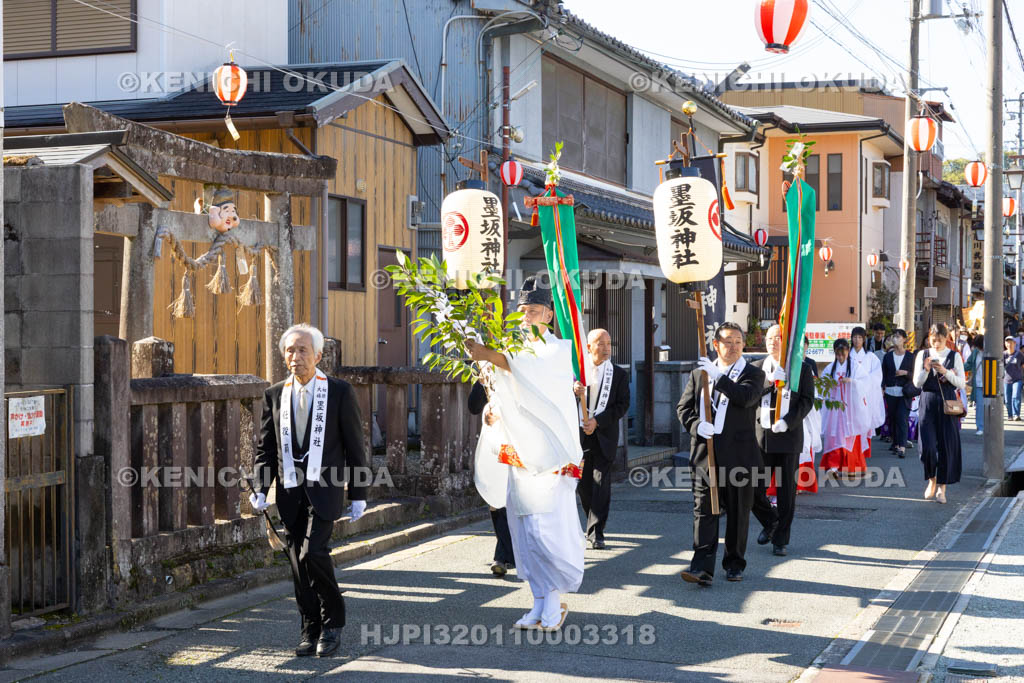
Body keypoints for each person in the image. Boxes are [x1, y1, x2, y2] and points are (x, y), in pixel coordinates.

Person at [467, 276, 584, 631]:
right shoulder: (508, 353)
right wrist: (493, 412)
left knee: (545, 529)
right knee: (523, 531)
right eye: (522, 311)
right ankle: (537, 600)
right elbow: (495, 396)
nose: (527, 317)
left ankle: (553, 601)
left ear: (549, 315)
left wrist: (492, 356)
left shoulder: (557, 351)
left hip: (549, 458)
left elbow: (533, 374)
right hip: (518, 456)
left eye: (534, 311)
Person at [251, 323, 368, 658]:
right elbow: (265, 448)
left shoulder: (339, 392)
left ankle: (333, 623)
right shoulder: (275, 394)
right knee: (297, 564)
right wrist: (260, 487)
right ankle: (310, 628)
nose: (295, 356)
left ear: (318, 355)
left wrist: (359, 492)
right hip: (289, 492)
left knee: (312, 553)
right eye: (290, 350)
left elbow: (355, 446)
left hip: (326, 489)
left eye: (303, 350)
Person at [677, 322, 766, 586]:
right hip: (706, 456)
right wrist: (696, 425)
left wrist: (718, 377)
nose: (734, 346)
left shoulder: (753, 373)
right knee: (703, 511)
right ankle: (701, 567)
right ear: (716, 344)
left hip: (739, 457)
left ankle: (734, 563)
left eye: (738, 341)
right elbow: (683, 409)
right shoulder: (699, 374)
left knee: (739, 511)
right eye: (728, 341)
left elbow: (746, 397)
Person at [750, 325, 815, 557]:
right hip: (762, 436)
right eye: (769, 338)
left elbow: (807, 400)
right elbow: (748, 398)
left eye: (777, 338)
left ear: (786, 340)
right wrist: (768, 383)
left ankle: (781, 539)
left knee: (786, 491)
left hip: (788, 435)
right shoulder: (756, 368)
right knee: (753, 487)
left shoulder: (801, 368)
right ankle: (771, 522)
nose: (772, 342)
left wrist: (788, 421)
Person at [573, 329, 630, 550]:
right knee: (584, 485)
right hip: (579, 434)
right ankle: (591, 522)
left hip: (604, 435)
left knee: (601, 482)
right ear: (588, 347)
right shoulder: (576, 373)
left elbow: (622, 405)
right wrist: (572, 390)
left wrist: (597, 421)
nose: (606, 348)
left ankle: (597, 532)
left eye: (609, 343)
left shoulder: (618, 374)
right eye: (600, 344)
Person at [912, 323, 965, 504]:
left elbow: (961, 383)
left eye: (940, 340)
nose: (936, 343)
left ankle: (942, 488)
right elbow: (916, 383)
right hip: (927, 401)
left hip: (947, 404)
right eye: (933, 340)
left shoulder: (954, 355)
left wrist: (945, 372)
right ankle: (931, 480)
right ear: (929, 338)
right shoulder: (923, 355)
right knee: (927, 446)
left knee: (946, 446)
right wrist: (926, 370)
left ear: (946, 339)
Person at [468, 380, 515, 576]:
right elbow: (473, 407)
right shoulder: (485, 373)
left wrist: (503, 415)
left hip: (516, 440)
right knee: (495, 495)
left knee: (511, 496)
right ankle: (506, 554)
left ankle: (503, 556)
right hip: (492, 442)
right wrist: (481, 382)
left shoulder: (519, 363)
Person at [820, 338, 868, 476]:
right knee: (834, 435)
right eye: (838, 354)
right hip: (835, 409)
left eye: (843, 354)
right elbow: (823, 385)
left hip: (850, 408)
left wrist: (852, 381)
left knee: (849, 435)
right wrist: (830, 385)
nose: (840, 357)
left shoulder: (855, 367)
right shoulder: (830, 368)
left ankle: (852, 466)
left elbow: (865, 383)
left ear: (848, 352)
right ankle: (833, 466)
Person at [849, 326, 886, 461]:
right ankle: (851, 453)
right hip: (851, 396)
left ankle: (863, 453)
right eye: (855, 337)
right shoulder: (847, 356)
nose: (857, 340)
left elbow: (877, 376)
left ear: (864, 339)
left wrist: (862, 382)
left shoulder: (871, 357)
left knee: (864, 425)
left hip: (865, 397)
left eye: (860, 337)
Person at [881, 329, 915, 458]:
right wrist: (882, 387)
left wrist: (905, 373)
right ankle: (895, 443)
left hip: (905, 392)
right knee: (893, 418)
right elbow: (883, 373)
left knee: (902, 418)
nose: (896, 339)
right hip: (890, 391)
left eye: (898, 337)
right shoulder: (888, 356)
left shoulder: (910, 357)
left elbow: (915, 375)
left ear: (904, 339)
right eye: (894, 337)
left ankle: (902, 445)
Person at [964, 335, 984, 434]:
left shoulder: (992, 351)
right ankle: (980, 427)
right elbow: (968, 364)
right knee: (979, 406)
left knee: (992, 406)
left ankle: (991, 427)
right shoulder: (975, 352)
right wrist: (957, 367)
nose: (978, 348)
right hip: (979, 383)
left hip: (991, 384)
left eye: (979, 346)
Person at [1004, 336, 1024, 421]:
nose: (1009, 344)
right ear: (1005, 344)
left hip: (1017, 379)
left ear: (1015, 343)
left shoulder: (1019, 354)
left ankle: (1016, 414)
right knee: (1007, 399)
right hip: (1006, 380)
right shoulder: (1003, 354)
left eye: (1011, 342)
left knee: (1016, 396)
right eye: (1007, 342)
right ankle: (1010, 415)